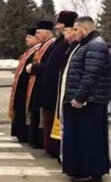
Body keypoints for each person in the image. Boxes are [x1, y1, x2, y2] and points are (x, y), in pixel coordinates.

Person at [61, 17, 110, 182]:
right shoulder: (85, 45)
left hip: (90, 102)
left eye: (76, 29)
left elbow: (91, 74)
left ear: (85, 29)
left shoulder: (96, 45)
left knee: (90, 139)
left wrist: (79, 97)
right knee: (81, 139)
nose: (73, 33)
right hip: (85, 101)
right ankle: (81, 170)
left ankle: (92, 172)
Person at [35, 11, 78, 157]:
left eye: (61, 25)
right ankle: (52, 148)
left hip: (56, 92)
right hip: (50, 91)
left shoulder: (68, 44)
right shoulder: (60, 42)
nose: (57, 27)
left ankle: (55, 149)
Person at [25, 20, 56, 149]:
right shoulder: (44, 45)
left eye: (38, 32)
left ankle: (39, 141)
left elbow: (49, 66)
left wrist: (33, 68)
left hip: (44, 85)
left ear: (47, 33)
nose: (36, 35)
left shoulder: (52, 46)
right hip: (38, 84)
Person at [9, 28, 41, 143]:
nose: (26, 39)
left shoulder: (37, 51)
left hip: (28, 87)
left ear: (36, 39)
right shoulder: (29, 50)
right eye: (26, 37)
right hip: (21, 87)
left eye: (30, 37)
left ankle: (24, 134)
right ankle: (19, 132)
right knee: (20, 109)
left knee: (25, 110)